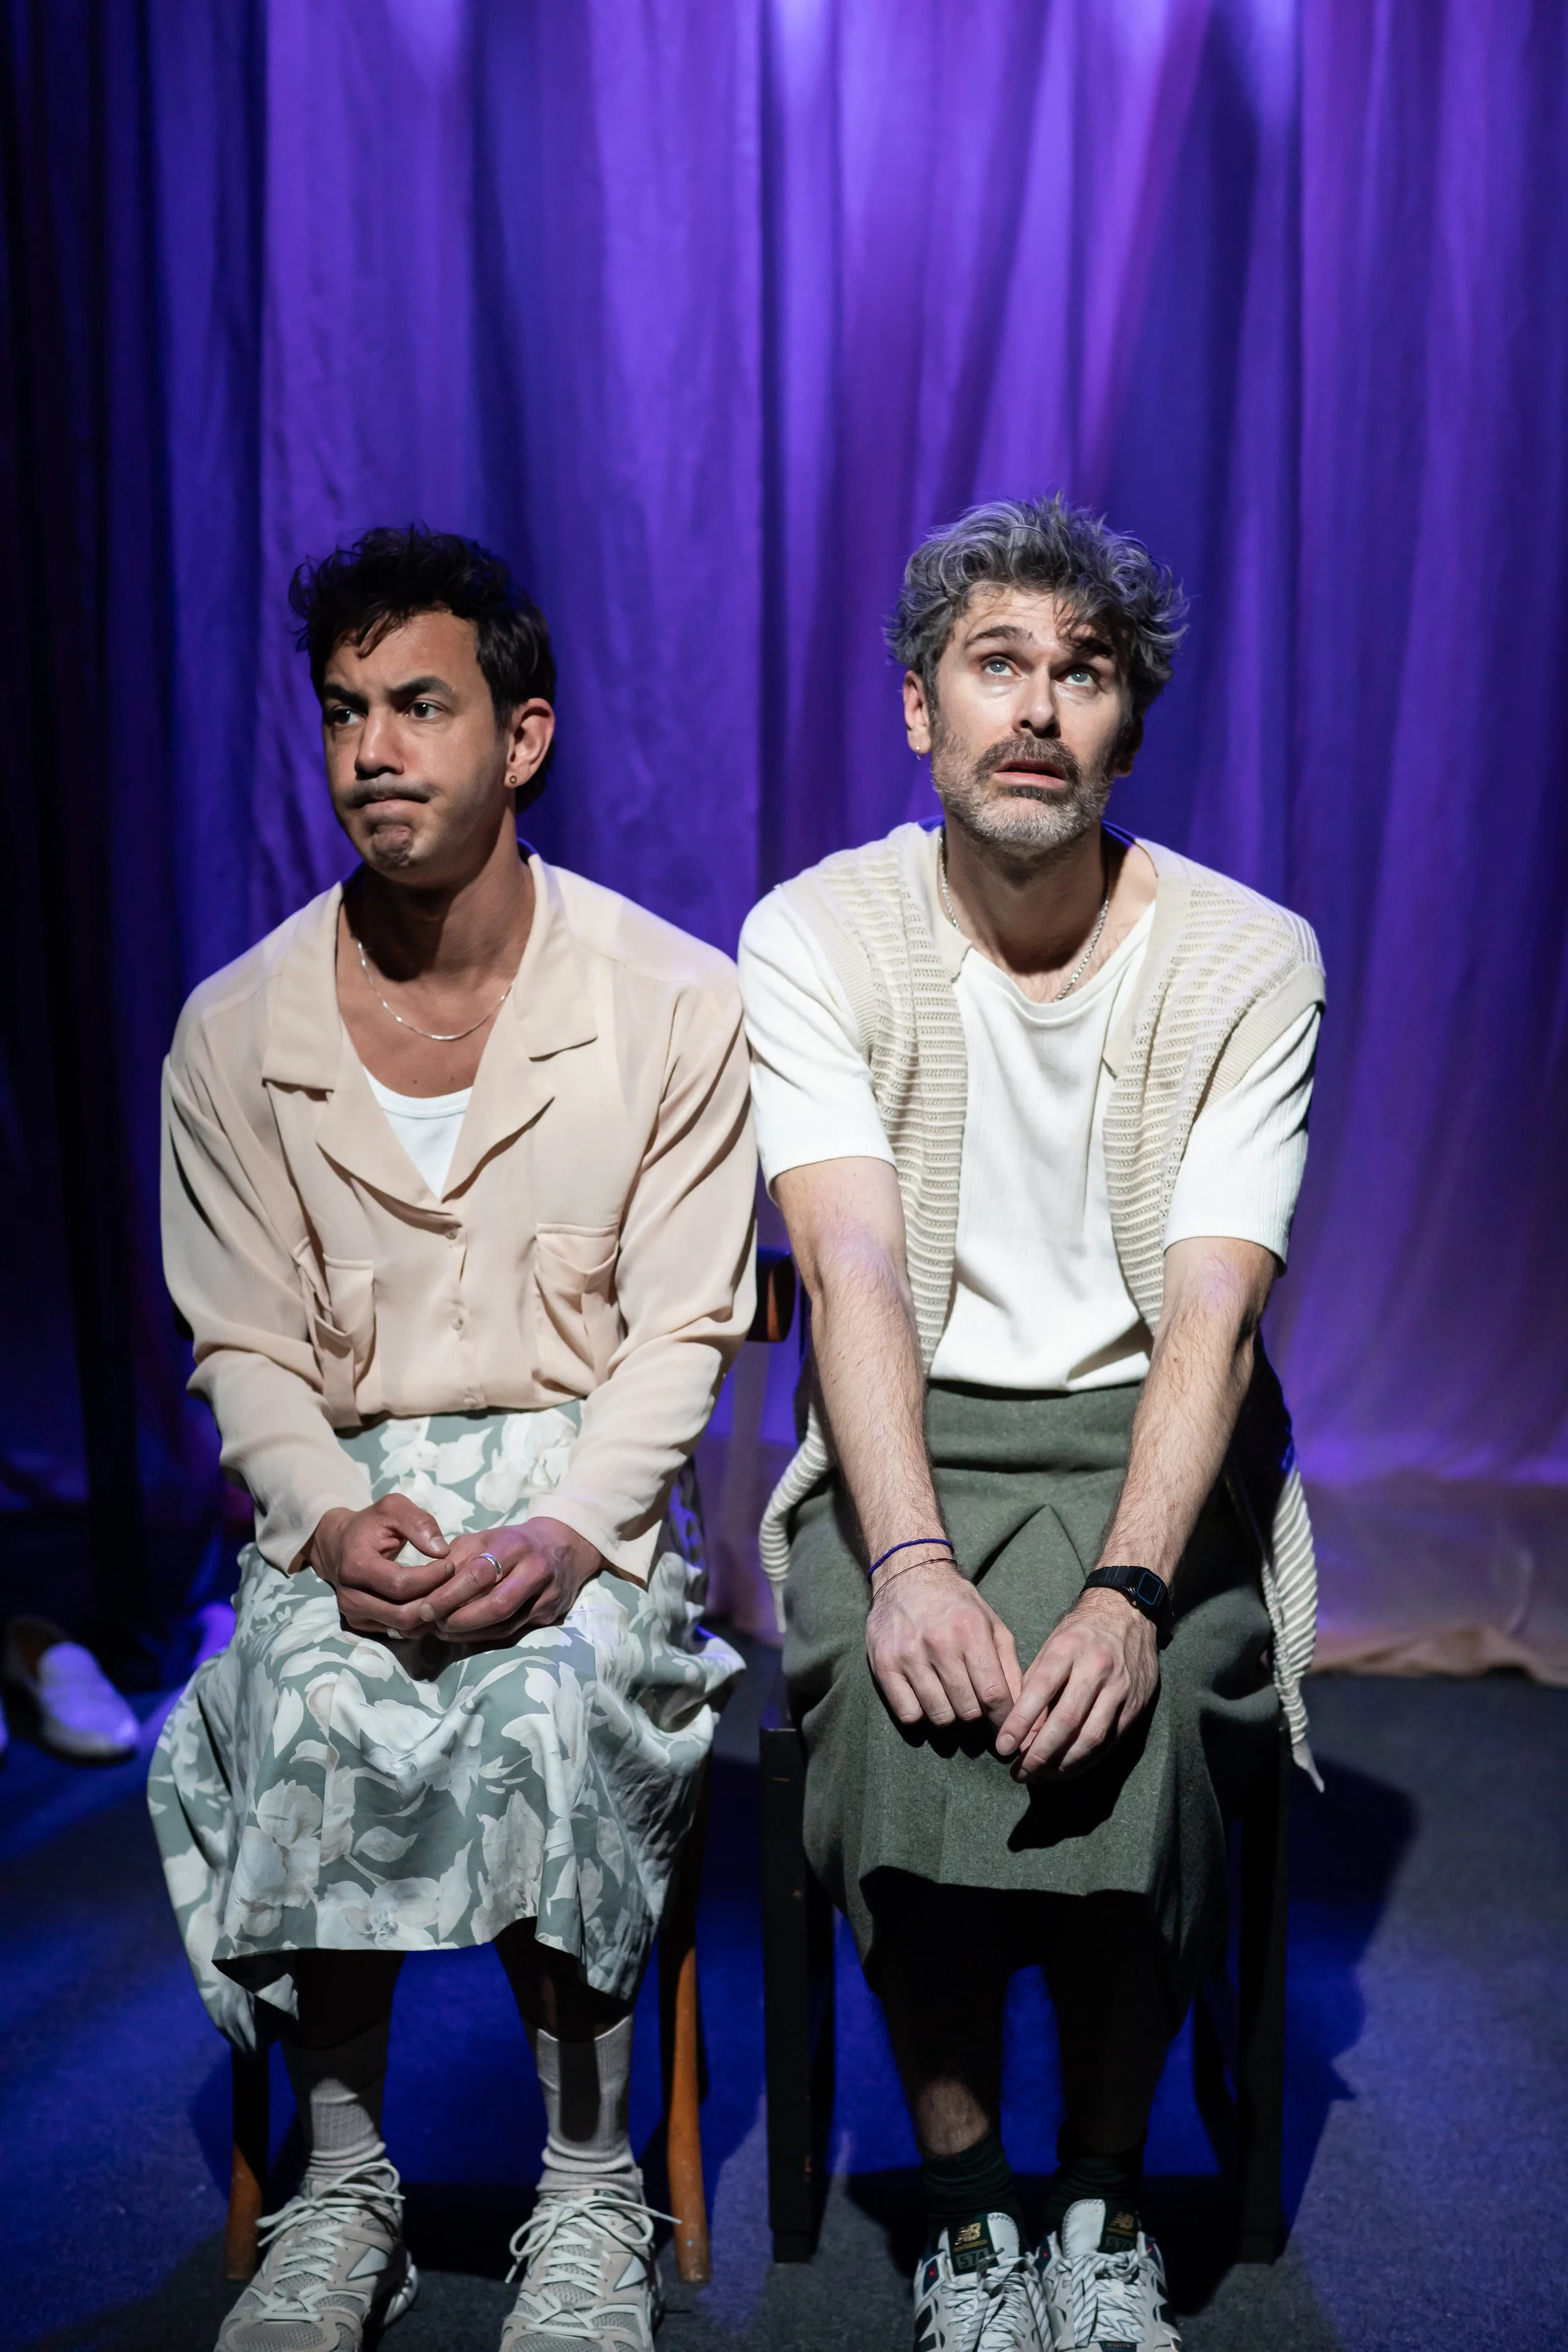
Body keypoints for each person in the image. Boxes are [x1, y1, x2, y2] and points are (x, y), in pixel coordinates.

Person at [150, 527, 755, 2352]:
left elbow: (685, 1332)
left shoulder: (665, 1002)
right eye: (343, 711)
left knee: (556, 1696)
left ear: (524, 733)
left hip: (589, 1499)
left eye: (420, 704)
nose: (372, 752)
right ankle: (346, 2188)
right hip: (352, 1490)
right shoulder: (236, 1030)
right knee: (315, 1693)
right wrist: (330, 1526)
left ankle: (588, 2195)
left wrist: (567, 1534)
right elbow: (241, 1344)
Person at [738, 495, 1323, 2352]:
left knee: (1129, 1725)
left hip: (1156, 1441)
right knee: (894, 1714)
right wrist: (902, 1563)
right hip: (903, 1430)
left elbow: (1215, 1314)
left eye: (1081, 675)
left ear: (1126, 728)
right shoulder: (817, 932)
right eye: (996, 663)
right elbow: (849, 1273)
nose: (1035, 709)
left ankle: (1097, 2190)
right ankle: (972, 2207)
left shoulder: (1245, 956)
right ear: (919, 707)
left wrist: (1131, 1590)